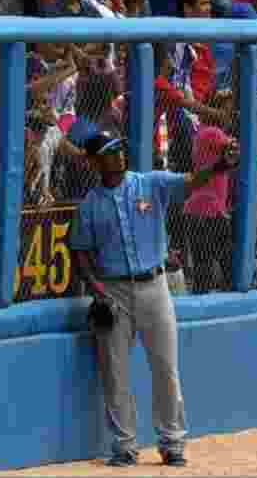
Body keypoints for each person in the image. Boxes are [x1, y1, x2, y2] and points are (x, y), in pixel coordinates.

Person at [70, 131, 238, 467]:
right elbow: (79, 251)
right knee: (115, 373)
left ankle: (172, 442)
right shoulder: (89, 204)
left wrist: (220, 165)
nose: (117, 155)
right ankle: (124, 446)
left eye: (118, 148)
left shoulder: (150, 183)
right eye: (107, 152)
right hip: (113, 290)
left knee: (165, 368)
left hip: (155, 285)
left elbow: (190, 182)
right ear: (92, 162)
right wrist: (95, 289)